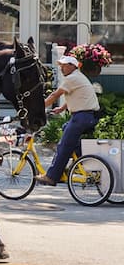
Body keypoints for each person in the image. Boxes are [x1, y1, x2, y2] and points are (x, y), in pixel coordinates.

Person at [35, 55, 101, 185]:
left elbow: (54, 95)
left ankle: (52, 177)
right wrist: (61, 108)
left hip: (81, 117)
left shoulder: (72, 78)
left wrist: (37, 108)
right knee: (66, 130)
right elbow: (76, 95)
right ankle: (75, 163)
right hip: (88, 116)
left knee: (64, 146)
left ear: (73, 66)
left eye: (64, 65)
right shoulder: (79, 77)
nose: (62, 68)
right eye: (60, 65)